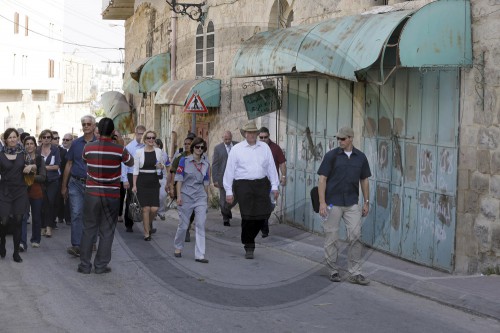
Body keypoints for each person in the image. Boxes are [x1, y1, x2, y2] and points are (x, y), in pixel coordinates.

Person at [77, 118, 133, 274]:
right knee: (107, 231)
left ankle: (85, 265)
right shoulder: (119, 150)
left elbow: (84, 160)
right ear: (113, 132)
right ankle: (101, 266)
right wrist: (120, 143)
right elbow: (130, 162)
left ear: (98, 130)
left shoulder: (88, 148)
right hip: (111, 195)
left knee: (89, 229)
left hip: (92, 193)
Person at [317, 126, 371, 285]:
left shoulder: (360, 157)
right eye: (338, 139)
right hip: (332, 203)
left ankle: (355, 273)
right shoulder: (331, 156)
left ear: (351, 138)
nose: (339, 141)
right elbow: (322, 179)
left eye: (343, 138)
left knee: (355, 236)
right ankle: (333, 270)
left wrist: (366, 201)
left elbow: (365, 180)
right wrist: (322, 202)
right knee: (332, 237)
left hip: (352, 203)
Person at [223, 120, 279, 259]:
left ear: (257, 133)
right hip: (243, 185)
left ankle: (248, 237)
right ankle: (249, 245)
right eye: (249, 132)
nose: (252, 135)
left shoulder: (264, 148)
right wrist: (229, 191)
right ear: (245, 134)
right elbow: (229, 170)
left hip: (261, 184)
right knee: (247, 216)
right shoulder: (237, 149)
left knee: (263, 214)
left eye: (254, 132)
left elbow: (271, 167)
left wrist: (275, 186)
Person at [61, 115, 97, 257]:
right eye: (84, 124)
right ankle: (76, 245)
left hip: (93, 184)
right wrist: (64, 186)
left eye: (89, 124)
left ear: (94, 126)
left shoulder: (99, 144)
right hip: (75, 183)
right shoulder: (75, 144)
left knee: (91, 214)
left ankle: (92, 241)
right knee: (76, 213)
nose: (86, 126)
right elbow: (69, 164)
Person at [173, 137, 210, 263]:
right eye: (197, 147)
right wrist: (179, 196)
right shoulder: (184, 160)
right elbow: (179, 179)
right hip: (186, 195)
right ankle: (178, 246)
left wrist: (207, 199)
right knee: (183, 226)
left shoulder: (206, 163)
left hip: (200, 196)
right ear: (193, 147)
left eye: (202, 147)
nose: (199, 150)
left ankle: (200, 255)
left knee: (200, 224)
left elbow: (206, 182)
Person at [0, 128, 33, 262]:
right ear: (5, 140)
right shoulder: (0, 155)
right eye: (10, 137)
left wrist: (31, 167)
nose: (12, 139)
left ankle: (15, 253)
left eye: (14, 137)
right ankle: (2, 243)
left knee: (19, 221)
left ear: (17, 138)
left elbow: (33, 166)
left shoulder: (23, 153)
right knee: (4, 221)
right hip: (5, 191)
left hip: (20, 191)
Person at [132, 130, 165, 241]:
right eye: (149, 138)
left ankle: (147, 223)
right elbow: (135, 170)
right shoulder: (138, 152)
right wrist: (134, 185)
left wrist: (161, 167)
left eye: (153, 138)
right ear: (145, 139)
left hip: (154, 181)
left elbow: (163, 165)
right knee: (145, 208)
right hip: (142, 181)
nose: (151, 140)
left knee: (154, 209)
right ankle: (146, 232)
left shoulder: (159, 151)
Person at [258, 127, 287, 237]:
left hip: (271, 183)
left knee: (271, 205)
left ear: (269, 136)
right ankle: (264, 227)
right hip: (258, 182)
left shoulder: (275, 148)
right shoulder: (255, 148)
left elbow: (282, 163)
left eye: (265, 137)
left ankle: (264, 221)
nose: (263, 139)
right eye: (261, 137)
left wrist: (283, 176)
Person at [168, 133, 196, 242]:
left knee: (193, 211)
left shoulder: (198, 156)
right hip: (182, 188)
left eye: (189, 144)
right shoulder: (180, 157)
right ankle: (186, 230)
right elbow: (173, 173)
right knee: (185, 210)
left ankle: (187, 226)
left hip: (194, 188)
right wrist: (171, 187)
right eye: (185, 144)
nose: (187, 145)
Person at [21, 136, 47, 249]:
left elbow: (43, 177)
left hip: (37, 192)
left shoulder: (40, 159)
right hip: (23, 192)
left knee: (36, 218)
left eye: (31, 143)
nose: (29, 146)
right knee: (23, 217)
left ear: (35, 146)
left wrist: (30, 174)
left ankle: (35, 239)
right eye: (27, 144)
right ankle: (22, 242)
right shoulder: (20, 159)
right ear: (24, 146)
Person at [122, 125, 146, 233]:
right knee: (131, 200)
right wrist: (125, 179)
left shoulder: (147, 145)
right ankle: (129, 223)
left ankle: (147, 224)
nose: (141, 136)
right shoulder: (130, 147)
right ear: (136, 134)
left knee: (146, 200)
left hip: (144, 175)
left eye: (143, 133)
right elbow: (124, 164)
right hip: (131, 175)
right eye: (140, 133)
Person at [38, 129, 61, 237]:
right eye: (44, 137)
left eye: (48, 137)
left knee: (50, 203)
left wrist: (43, 167)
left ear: (51, 139)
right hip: (40, 181)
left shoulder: (55, 150)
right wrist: (47, 168)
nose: (46, 139)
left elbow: (57, 166)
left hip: (53, 180)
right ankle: (42, 226)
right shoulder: (37, 150)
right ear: (41, 138)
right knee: (42, 203)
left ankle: (49, 227)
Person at [212, 131, 238, 226]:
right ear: (223, 138)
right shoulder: (218, 148)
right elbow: (215, 164)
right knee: (223, 201)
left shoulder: (237, 145)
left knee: (235, 198)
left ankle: (227, 210)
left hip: (235, 178)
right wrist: (215, 179)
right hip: (222, 178)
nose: (227, 141)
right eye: (225, 139)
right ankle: (226, 218)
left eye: (229, 139)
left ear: (231, 137)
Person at [155, 138, 171, 220]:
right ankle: (154, 213)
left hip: (163, 177)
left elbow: (168, 166)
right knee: (154, 196)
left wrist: (169, 179)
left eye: (155, 145)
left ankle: (161, 211)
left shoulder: (164, 154)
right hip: (153, 177)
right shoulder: (150, 153)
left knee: (163, 195)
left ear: (159, 145)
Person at [59, 133, 73, 225]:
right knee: (60, 197)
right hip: (61, 178)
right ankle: (60, 216)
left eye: (67, 140)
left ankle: (68, 218)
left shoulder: (74, 150)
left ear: (72, 141)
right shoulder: (59, 150)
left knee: (70, 198)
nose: (64, 141)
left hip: (72, 177)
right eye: (63, 139)